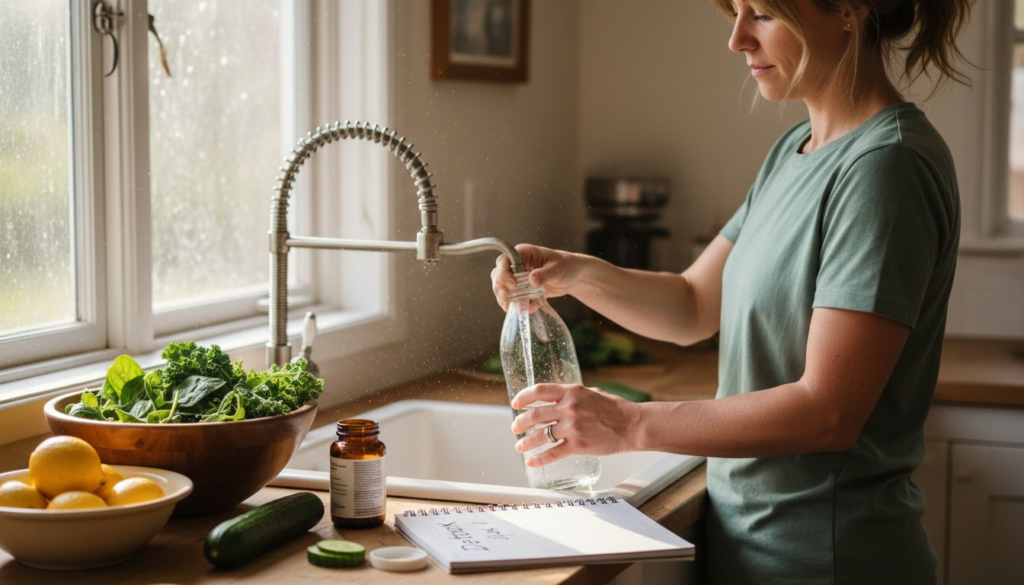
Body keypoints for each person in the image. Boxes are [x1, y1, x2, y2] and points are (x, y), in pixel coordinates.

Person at [490, 1, 973, 583]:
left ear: (848, 10)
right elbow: (694, 304)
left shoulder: (886, 167)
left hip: (825, 560)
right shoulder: (795, 151)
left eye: (763, 13)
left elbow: (829, 412)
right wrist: (577, 275)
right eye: (737, 11)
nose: (738, 39)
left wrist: (629, 424)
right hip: (748, 547)